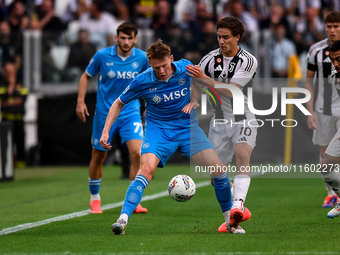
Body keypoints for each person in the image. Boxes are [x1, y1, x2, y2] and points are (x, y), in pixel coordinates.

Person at [100, 39, 241, 235]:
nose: (162, 71)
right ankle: (122, 221)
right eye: (157, 67)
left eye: (165, 65)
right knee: (146, 170)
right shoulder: (142, 80)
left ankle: (230, 224)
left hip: (187, 128)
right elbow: (118, 103)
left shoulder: (185, 67)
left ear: (171, 59)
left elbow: (200, 80)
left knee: (218, 171)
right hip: (158, 131)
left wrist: (194, 99)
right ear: (150, 64)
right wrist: (106, 131)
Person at [185, 16, 258, 233]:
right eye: (219, 36)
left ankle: (237, 206)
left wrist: (204, 79)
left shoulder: (248, 60)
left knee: (242, 156)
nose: (221, 41)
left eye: (226, 37)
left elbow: (232, 90)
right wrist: (195, 98)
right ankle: (238, 204)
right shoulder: (209, 59)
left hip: (242, 117)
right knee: (215, 177)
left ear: (237, 37)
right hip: (218, 123)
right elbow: (195, 79)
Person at [76, 21, 149, 214]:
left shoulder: (142, 58)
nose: (125, 42)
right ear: (116, 38)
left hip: (130, 112)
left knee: (137, 153)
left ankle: (133, 201)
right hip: (104, 114)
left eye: (129, 38)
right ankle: (95, 199)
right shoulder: (102, 56)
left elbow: (150, 84)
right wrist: (80, 101)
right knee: (99, 155)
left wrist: (147, 108)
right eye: (122, 38)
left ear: (135, 39)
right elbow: (85, 77)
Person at [304, 11, 340, 208]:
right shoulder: (316, 50)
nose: (332, 30)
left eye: (336, 26)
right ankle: (330, 193)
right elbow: (308, 82)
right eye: (329, 26)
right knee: (324, 151)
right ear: (325, 27)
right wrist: (310, 111)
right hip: (322, 108)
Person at [319, 40, 340, 218]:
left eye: (339, 59)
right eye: (333, 60)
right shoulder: (335, 75)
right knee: (326, 167)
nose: (336, 64)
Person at [0, 62, 28, 168]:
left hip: (19, 119)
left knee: (20, 143)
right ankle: (7, 166)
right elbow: (3, 101)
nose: (10, 74)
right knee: (6, 145)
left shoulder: (21, 84)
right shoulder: (2, 84)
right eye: (8, 72)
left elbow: (22, 100)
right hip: (6, 120)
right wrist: (12, 86)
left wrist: (9, 101)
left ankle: (21, 165)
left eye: (12, 71)